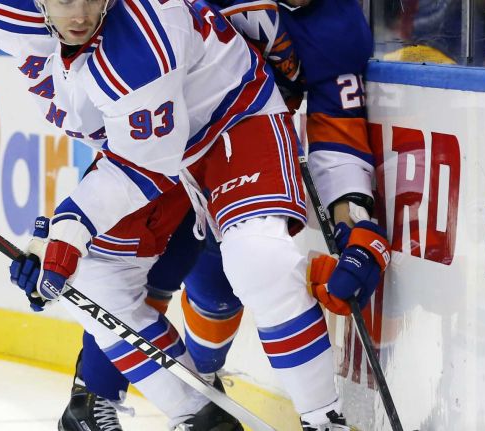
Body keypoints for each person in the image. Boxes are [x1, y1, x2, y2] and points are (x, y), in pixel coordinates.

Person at [0, 0, 388, 428]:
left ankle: (324, 419)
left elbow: (144, 168)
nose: (79, 13)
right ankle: (188, 414)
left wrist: (354, 218)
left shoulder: (141, 43)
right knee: (88, 278)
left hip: (228, 126)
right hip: (146, 142)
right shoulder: (5, 8)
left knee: (255, 265)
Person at [55, 0, 388, 429]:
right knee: (122, 265)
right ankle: (93, 391)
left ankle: (211, 392)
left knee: (229, 281)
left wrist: (353, 222)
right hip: (156, 137)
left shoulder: (338, 24)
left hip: (241, 137)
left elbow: (338, 128)